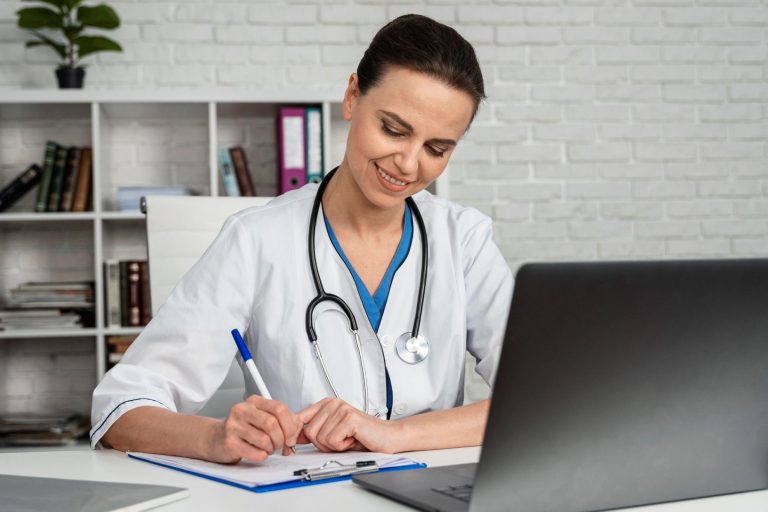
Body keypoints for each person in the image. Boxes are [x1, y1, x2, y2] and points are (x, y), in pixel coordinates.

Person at [90, 14, 513, 464]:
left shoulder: (463, 239)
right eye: (393, 128)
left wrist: (395, 434)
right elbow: (120, 409)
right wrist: (213, 438)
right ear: (352, 96)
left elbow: (546, 394)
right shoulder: (257, 240)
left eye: (437, 149)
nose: (409, 165)